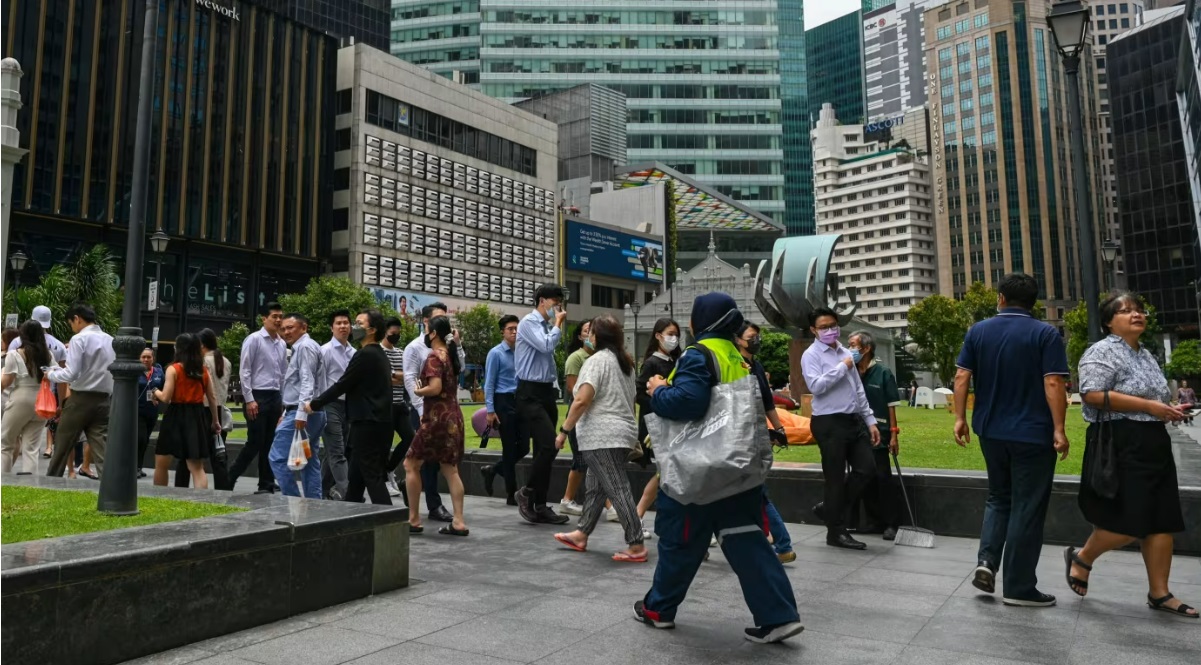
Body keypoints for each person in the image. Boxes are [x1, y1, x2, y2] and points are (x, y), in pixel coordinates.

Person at [635, 292, 803, 644]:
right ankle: (778, 616)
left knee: (679, 540)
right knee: (747, 539)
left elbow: (689, 403)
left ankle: (659, 609)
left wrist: (658, 390)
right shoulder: (738, 356)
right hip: (737, 468)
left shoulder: (699, 354)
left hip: (698, 470)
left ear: (698, 321)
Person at [1064, 293, 1196, 618]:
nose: (1136, 315)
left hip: (1153, 439)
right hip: (1119, 441)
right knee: (1131, 519)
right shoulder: (1101, 351)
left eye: (1139, 310)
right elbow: (1092, 394)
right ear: (1109, 321)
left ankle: (1160, 593)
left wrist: (1167, 410)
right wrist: (1149, 406)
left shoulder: (1147, 355)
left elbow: (1153, 398)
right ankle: (1082, 557)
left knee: (1162, 518)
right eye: (1126, 311)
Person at [953, 272, 1069, 608]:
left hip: (990, 430)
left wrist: (960, 418)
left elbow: (962, 377)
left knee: (999, 497)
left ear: (1000, 298)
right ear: (1032, 302)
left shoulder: (979, 331)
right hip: (1033, 433)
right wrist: (1059, 429)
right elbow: (1053, 384)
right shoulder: (1046, 334)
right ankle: (1019, 586)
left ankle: (987, 561)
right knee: (1027, 506)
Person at [552, 314, 647, 562]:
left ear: (597, 336)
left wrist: (564, 430)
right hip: (620, 433)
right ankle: (581, 534)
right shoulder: (624, 362)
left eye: (591, 332)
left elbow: (582, 399)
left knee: (617, 488)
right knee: (595, 488)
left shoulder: (596, 361)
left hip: (602, 435)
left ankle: (636, 544)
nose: (588, 336)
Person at [800, 306, 880, 551]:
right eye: (824, 327)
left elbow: (857, 388)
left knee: (867, 469)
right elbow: (817, 386)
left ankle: (829, 508)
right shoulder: (811, 355)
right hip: (828, 422)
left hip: (852, 419)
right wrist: (843, 365)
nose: (830, 331)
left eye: (833, 326)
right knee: (834, 478)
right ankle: (836, 532)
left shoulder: (846, 351)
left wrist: (870, 420)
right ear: (814, 330)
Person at [306, 309, 393, 504]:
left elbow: (343, 384)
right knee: (356, 476)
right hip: (371, 422)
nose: (353, 327)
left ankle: (389, 521)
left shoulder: (365, 355)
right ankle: (352, 512)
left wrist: (315, 403)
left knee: (372, 476)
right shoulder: (377, 353)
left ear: (371, 330)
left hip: (368, 423)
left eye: (359, 323)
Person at [403, 315, 469, 536]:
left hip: (436, 418)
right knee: (451, 469)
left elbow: (435, 387)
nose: (425, 334)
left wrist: (417, 390)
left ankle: (413, 519)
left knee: (411, 464)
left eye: (427, 329)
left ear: (434, 334)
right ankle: (458, 521)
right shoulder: (450, 356)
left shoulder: (433, 356)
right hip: (453, 416)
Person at [736, 322, 795, 563]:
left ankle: (782, 543)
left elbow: (768, 402)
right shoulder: (739, 364)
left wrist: (779, 428)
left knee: (756, 494)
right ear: (739, 340)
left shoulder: (754, 366)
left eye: (757, 337)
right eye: (752, 337)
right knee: (752, 493)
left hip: (749, 436)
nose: (756, 341)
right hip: (748, 435)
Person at [514, 283, 570, 524]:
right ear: (542, 301)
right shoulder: (528, 323)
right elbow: (546, 346)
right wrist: (557, 324)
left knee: (544, 450)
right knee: (550, 445)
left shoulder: (545, 326)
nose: (558, 307)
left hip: (546, 393)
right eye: (555, 302)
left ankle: (540, 504)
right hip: (529, 393)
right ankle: (525, 492)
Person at [45, 303, 115, 478]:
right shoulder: (111, 339)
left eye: (71, 323)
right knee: (101, 447)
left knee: (63, 442)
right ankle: (111, 485)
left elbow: (71, 373)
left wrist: (51, 374)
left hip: (80, 398)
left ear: (77, 319)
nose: (72, 327)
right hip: (104, 399)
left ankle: (52, 480)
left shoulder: (79, 339)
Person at [847, 331, 903, 540]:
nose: (850, 348)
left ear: (866, 348)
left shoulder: (883, 373)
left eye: (853, 345)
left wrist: (894, 435)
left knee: (883, 478)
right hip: (855, 434)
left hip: (879, 434)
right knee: (864, 478)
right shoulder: (849, 371)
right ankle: (874, 521)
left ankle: (891, 523)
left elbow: (891, 407)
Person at [230, 302, 287, 494]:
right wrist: (249, 399)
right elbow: (244, 370)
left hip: (274, 396)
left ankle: (266, 483)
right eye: (274, 317)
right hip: (257, 395)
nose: (278, 320)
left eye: (280, 316)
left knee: (270, 442)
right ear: (264, 319)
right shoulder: (254, 339)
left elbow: (282, 374)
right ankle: (229, 478)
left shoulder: (281, 343)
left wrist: (282, 401)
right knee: (255, 441)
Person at [268, 314, 326, 498]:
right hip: (310, 412)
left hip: (304, 413)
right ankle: (313, 502)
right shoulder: (304, 347)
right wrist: (287, 411)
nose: (286, 332)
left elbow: (307, 381)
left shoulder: (305, 347)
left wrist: (300, 415)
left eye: (290, 327)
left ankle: (293, 499)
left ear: (304, 327)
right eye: (283, 329)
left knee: (276, 458)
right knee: (309, 459)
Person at [152, 333, 220, 489]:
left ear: (179, 349)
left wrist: (155, 391)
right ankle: (200, 500)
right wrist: (215, 421)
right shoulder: (203, 371)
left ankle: (159, 495)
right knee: (196, 467)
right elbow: (212, 398)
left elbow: (166, 397)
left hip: (175, 415)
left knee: (162, 461)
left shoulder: (173, 369)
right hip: (196, 416)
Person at [634, 318, 682, 539]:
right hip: (657, 426)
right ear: (658, 336)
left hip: (673, 425)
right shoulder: (652, 363)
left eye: (676, 334)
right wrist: (661, 402)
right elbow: (640, 395)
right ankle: (637, 516)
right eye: (670, 333)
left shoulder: (676, 360)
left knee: (666, 473)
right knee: (664, 472)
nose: (674, 338)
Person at [480, 315, 529, 505]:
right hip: (503, 401)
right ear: (502, 331)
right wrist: (490, 411)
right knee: (509, 449)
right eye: (510, 329)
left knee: (524, 446)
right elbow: (489, 383)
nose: (515, 332)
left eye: (517, 328)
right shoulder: (496, 353)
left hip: (520, 401)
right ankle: (511, 494)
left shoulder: (522, 351)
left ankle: (493, 470)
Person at [2, 320, 53, 474]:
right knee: (31, 448)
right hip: (41, 400)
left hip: (20, 398)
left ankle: (3, 479)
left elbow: (7, 381)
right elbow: (55, 374)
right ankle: (29, 483)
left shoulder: (14, 354)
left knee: (5, 443)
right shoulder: (47, 354)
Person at [557, 320, 594, 517]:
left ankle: (608, 505)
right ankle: (567, 500)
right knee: (581, 458)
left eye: (593, 331)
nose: (590, 335)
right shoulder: (576, 358)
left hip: (594, 411)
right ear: (580, 336)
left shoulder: (599, 357)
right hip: (579, 411)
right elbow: (572, 388)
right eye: (586, 331)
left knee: (591, 459)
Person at [320, 310, 355, 499]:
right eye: (338, 323)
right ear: (331, 327)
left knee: (334, 452)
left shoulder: (355, 352)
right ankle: (347, 491)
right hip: (329, 405)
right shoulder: (324, 351)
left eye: (346, 323)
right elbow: (320, 380)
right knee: (337, 452)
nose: (343, 326)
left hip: (348, 406)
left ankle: (320, 491)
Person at [381, 317, 416, 498]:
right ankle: (386, 479)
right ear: (385, 331)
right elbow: (382, 377)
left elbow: (408, 376)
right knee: (385, 443)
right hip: (385, 405)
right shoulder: (379, 351)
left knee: (410, 437)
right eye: (393, 333)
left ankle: (389, 469)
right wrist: (396, 376)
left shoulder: (401, 353)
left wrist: (395, 375)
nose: (396, 336)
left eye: (398, 333)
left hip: (400, 404)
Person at [137, 348, 165, 479]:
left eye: (148, 357)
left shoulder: (159, 372)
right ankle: (135, 467)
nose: (146, 359)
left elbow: (164, 388)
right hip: (138, 411)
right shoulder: (135, 372)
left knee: (146, 440)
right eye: (143, 357)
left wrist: (158, 397)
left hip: (152, 412)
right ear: (139, 358)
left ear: (153, 358)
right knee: (140, 438)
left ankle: (139, 467)